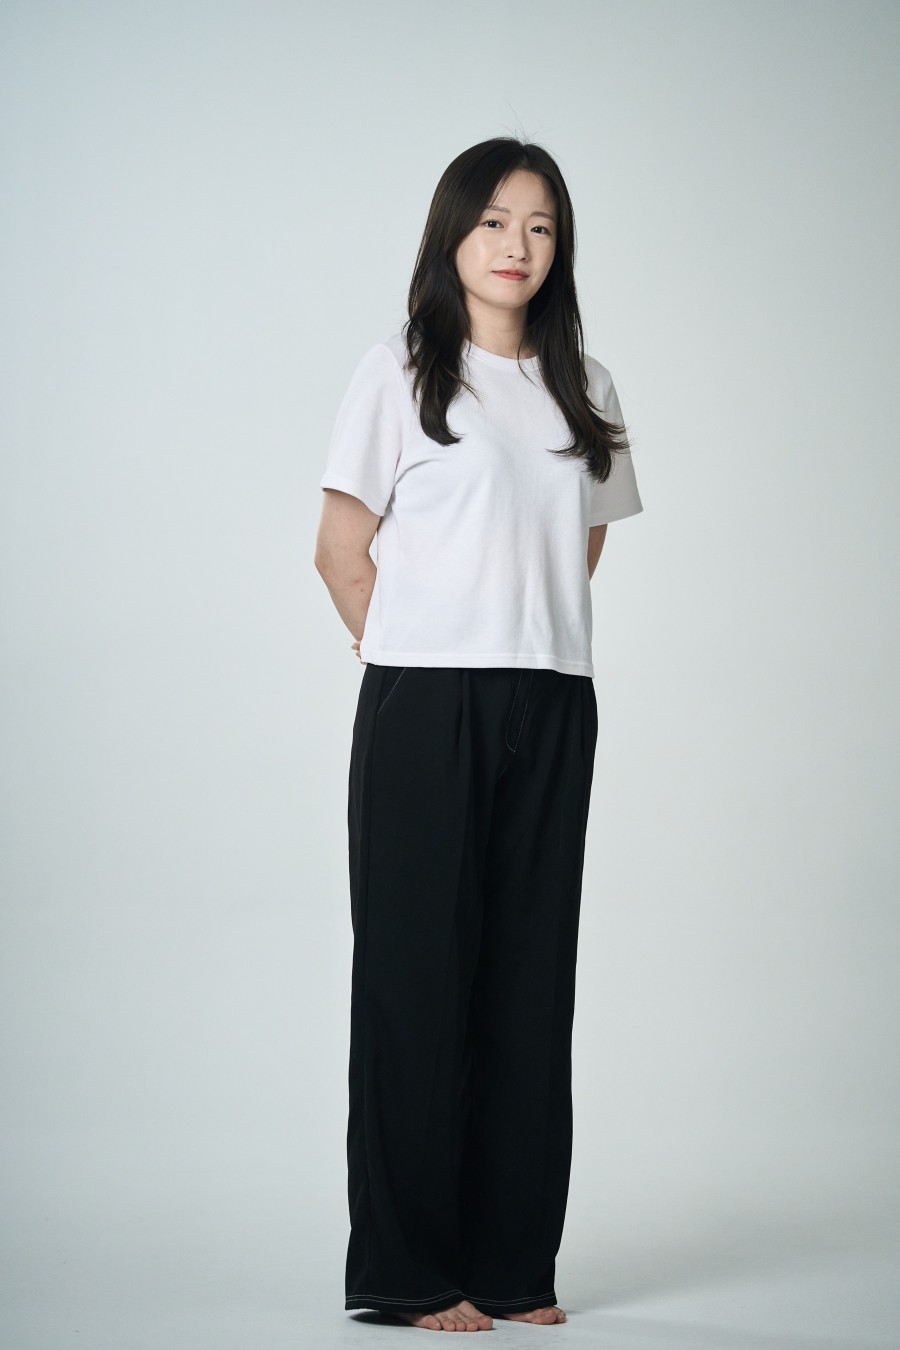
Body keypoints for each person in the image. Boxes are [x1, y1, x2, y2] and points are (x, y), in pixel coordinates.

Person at [314, 137, 643, 1333]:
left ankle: (511, 1265)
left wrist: (517, 631)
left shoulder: (587, 386)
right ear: (453, 233)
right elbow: (340, 550)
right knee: (416, 983)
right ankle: (407, 1273)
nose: (517, 245)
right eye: (496, 221)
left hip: (552, 699)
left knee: (527, 983)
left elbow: (581, 541)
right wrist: (414, 649)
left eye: (540, 226)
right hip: (426, 701)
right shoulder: (403, 373)